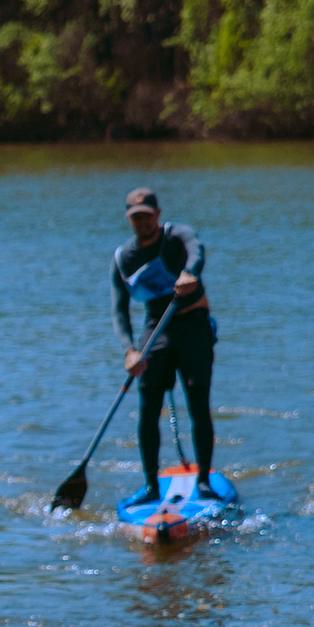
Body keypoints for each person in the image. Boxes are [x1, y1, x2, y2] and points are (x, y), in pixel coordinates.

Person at [111, 187, 219, 503]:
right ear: (129, 220)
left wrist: (191, 272)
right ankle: (150, 487)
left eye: (147, 216)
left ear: (157, 215)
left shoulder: (176, 236)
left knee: (198, 402)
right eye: (136, 217)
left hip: (192, 325)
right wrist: (129, 350)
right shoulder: (123, 258)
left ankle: (203, 482)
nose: (142, 222)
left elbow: (197, 249)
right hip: (155, 330)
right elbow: (119, 311)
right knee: (147, 408)